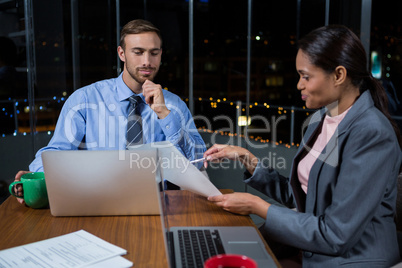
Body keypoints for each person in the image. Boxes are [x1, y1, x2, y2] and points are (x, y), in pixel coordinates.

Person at [204, 25, 402, 267]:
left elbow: (336, 235)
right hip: (311, 250)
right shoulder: (321, 119)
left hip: (352, 260)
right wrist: (248, 159)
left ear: (339, 75)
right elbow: (301, 198)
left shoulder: (372, 133)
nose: (299, 85)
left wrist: (257, 206)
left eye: (306, 76)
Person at [14, 19, 206, 202]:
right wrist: (38, 177)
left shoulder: (174, 105)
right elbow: (56, 152)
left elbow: (196, 163)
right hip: (97, 199)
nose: (147, 61)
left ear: (161, 54)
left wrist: (164, 114)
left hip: (158, 201)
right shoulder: (85, 100)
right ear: (122, 54)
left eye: (154, 53)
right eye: (138, 52)